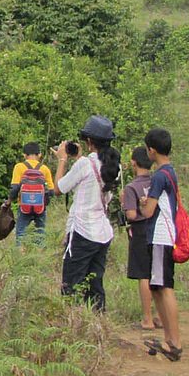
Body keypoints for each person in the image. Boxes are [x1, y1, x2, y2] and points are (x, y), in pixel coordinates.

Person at [53, 115, 120, 312]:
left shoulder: (84, 164)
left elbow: (58, 188)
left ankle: (71, 324)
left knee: (71, 283)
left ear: (89, 141)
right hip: (102, 232)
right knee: (95, 282)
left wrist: (62, 160)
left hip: (82, 230)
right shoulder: (114, 166)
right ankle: (97, 321)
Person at [140, 127, 182, 361]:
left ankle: (174, 342)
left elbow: (148, 211)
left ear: (152, 150)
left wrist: (142, 203)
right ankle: (169, 339)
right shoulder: (170, 172)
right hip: (166, 235)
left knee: (164, 289)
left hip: (160, 237)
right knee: (158, 288)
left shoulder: (158, 176)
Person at [121, 145, 160, 330]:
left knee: (143, 274)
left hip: (140, 231)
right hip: (158, 229)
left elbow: (130, 215)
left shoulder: (131, 187)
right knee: (157, 272)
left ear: (133, 163)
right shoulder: (156, 181)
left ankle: (147, 318)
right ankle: (160, 316)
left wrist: (125, 204)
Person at [6, 142, 55, 247]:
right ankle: (40, 255)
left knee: (20, 233)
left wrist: (9, 201)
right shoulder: (45, 169)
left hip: (24, 206)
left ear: (24, 155)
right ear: (40, 154)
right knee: (40, 233)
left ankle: (20, 256)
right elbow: (51, 191)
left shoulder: (19, 167)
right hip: (41, 207)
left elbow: (14, 188)